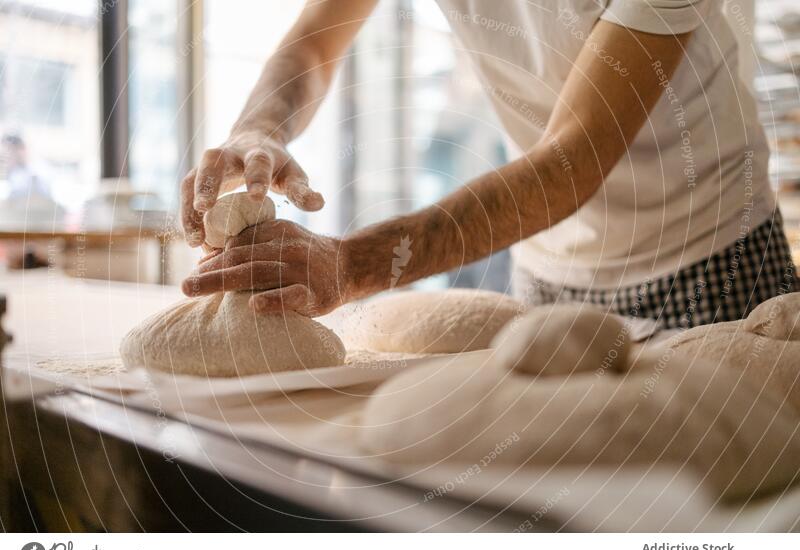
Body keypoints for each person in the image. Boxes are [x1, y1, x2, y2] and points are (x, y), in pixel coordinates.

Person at [180, 0, 797, 328]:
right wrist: (259, 125)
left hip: (713, 254)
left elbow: (572, 159)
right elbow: (315, 43)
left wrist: (349, 265)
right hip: (546, 266)